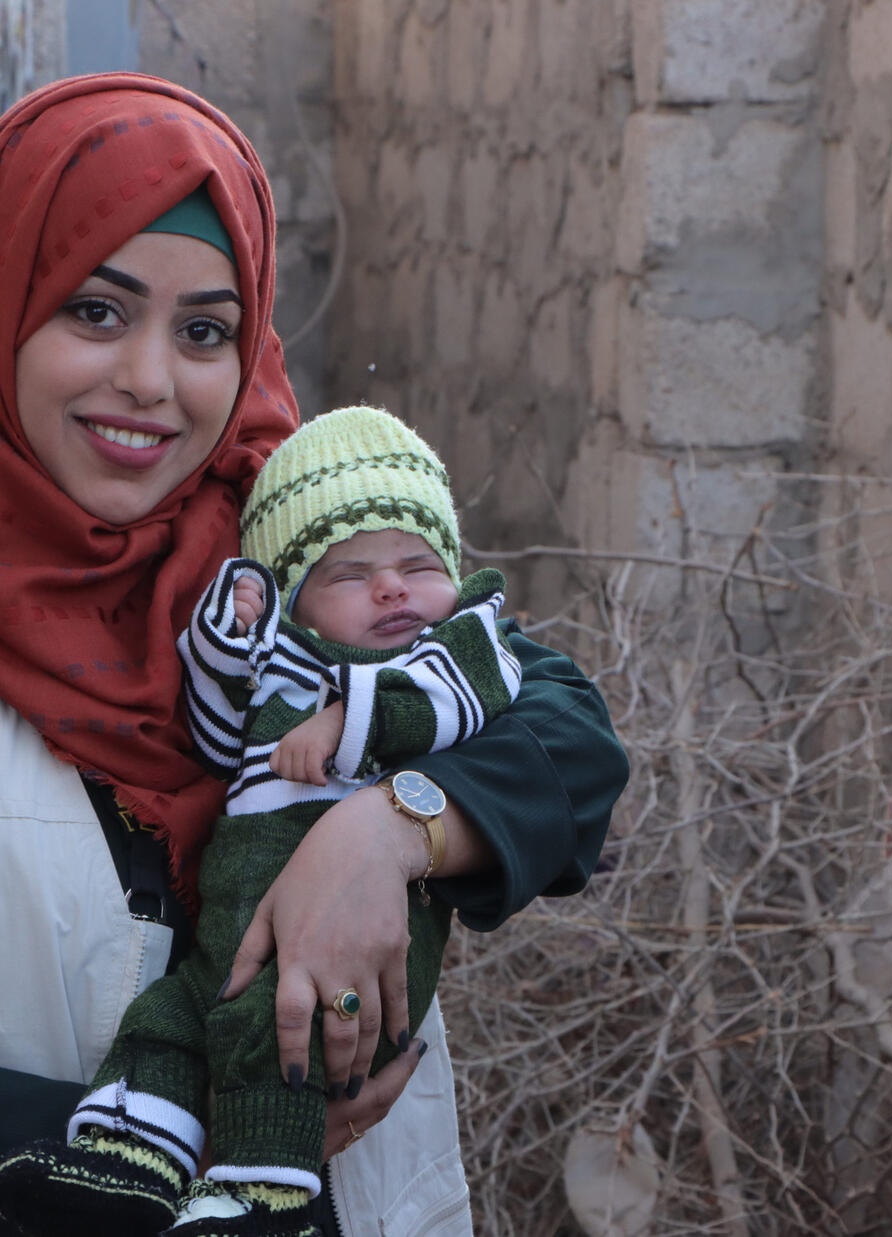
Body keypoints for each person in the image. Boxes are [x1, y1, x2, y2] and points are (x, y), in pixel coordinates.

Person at [0, 71, 629, 1237]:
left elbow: (566, 733)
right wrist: (227, 1127)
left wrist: (390, 830)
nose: (148, 379)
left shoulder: (291, 549)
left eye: (203, 331)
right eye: (94, 309)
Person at [0, 405, 523, 1237]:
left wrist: (346, 723)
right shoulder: (290, 658)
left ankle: (262, 1196)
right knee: (173, 1019)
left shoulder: (454, 642)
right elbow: (212, 735)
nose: (392, 587)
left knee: (274, 1037)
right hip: (236, 918)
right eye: (350, 574)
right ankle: (126, 1160)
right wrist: (231, 629)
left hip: (350, 951)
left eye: (419, 563)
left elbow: (454, 699)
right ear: (301, 601)